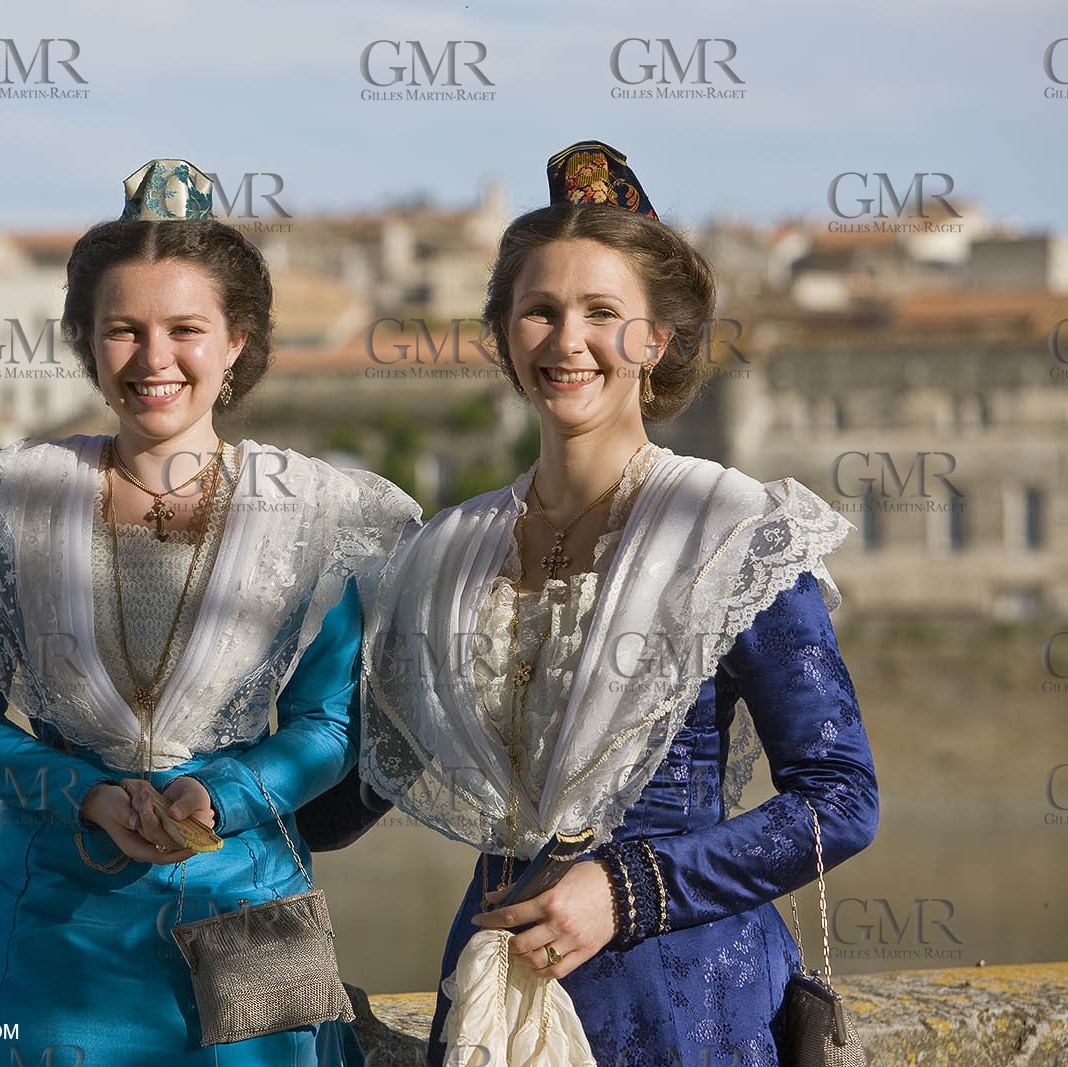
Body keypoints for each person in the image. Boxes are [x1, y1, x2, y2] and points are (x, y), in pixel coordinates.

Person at [358, 141, 879, 1066]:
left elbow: (838, 800)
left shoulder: (729, 531)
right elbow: (356, 777)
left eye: (603, 312)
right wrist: (209, 793)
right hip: (490, 994)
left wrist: (626, 888)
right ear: (503, 332)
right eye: (540, 311)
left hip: (689, 1005)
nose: (567, 341)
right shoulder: (447, 551)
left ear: (657, 339)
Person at [0, 159, 420, 1067]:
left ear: (236, 344)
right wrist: (87, 794)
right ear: (88, 342)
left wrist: (221, 795)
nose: (154, 360)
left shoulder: (310, 513)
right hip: (51, 925)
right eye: (124, 330)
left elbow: (330, 724)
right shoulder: (22, 501)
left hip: (250, 906)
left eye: (185, 329)